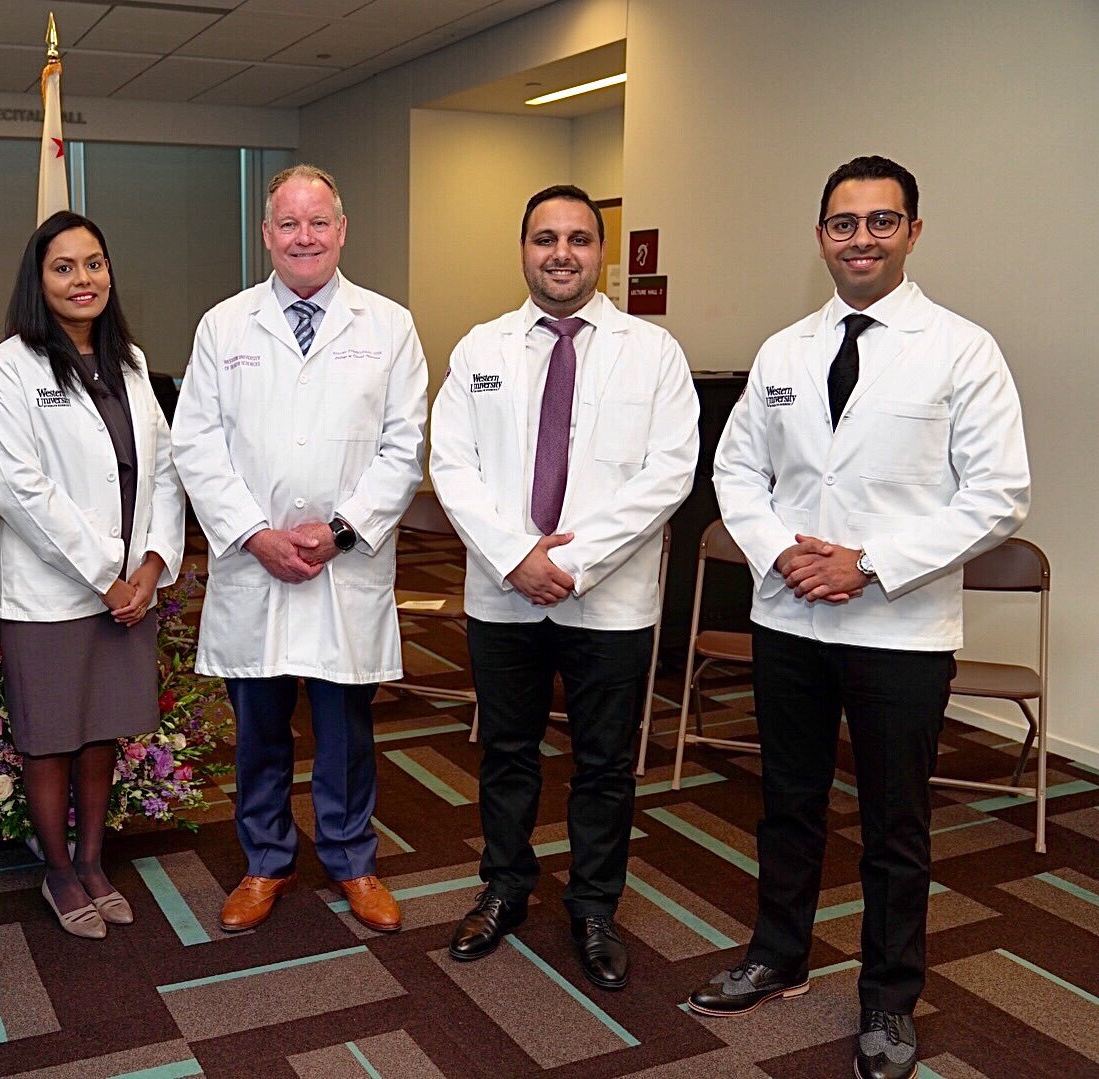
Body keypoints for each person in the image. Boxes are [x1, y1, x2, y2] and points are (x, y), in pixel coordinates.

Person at [689, 156, 1030, 1079]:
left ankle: (887, 999)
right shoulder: (784, 350)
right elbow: (735, 471)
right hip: (791, 616)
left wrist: (870, 564)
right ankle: (778, 954)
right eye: (844, 223)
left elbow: (999, 495)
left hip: (899, 627)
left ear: (914, 232)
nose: (862, 239)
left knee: (895, 822)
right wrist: (781, 552)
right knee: (788, 804)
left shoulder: (963, 349)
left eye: (883, 222)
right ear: (821, 236)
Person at [429, 185, 698, 986]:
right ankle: (506, 887)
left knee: (605, 762)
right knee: (507, 752)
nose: (562, 253)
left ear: (601, 253)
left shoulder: (655, 354)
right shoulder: (480, 349)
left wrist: (574, 561)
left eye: (580, 239)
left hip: (608, 601)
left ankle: (593, 905)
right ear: (522, 249)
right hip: (504, 592)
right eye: (546, 238)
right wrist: (517, 555)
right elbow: (452, 465)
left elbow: (669, 473)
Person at [170, 164, 427, 934]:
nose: (304, 236)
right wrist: (255, 534)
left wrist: (341, 529)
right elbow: (196, 443)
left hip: (343, 564)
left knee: (347, 725)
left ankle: (352, 857)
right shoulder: (224, 326)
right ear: (267, 234)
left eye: (318, 223)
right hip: (256, 563)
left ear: (342, 231)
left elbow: (404, 444)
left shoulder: (389, 325)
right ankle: (266, 859)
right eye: (289, 223)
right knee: (259, 725)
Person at [0, 211, 186, 939]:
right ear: (39, 280)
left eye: (93, 263)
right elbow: (20, 489)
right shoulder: (11, 365)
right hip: (54, 594)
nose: (82, 279)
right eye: (64, 267)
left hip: (130, 589)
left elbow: (163, 471)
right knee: (51, 738)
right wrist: (108, 575)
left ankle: (95, 860)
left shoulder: (129, 358)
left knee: (103, 733)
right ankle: (60, 872)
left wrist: (151, 567)